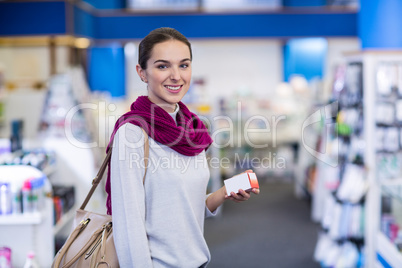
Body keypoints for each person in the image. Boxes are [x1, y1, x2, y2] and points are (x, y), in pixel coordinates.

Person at [105, 27, 260, 268]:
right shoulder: (132, 133)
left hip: (197, 261)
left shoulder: (192, 129)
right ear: (142, 73)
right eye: (162, 66)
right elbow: (128, 227)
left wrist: (221, 194)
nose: (176, 76)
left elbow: (183, 210)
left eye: (184, 65)